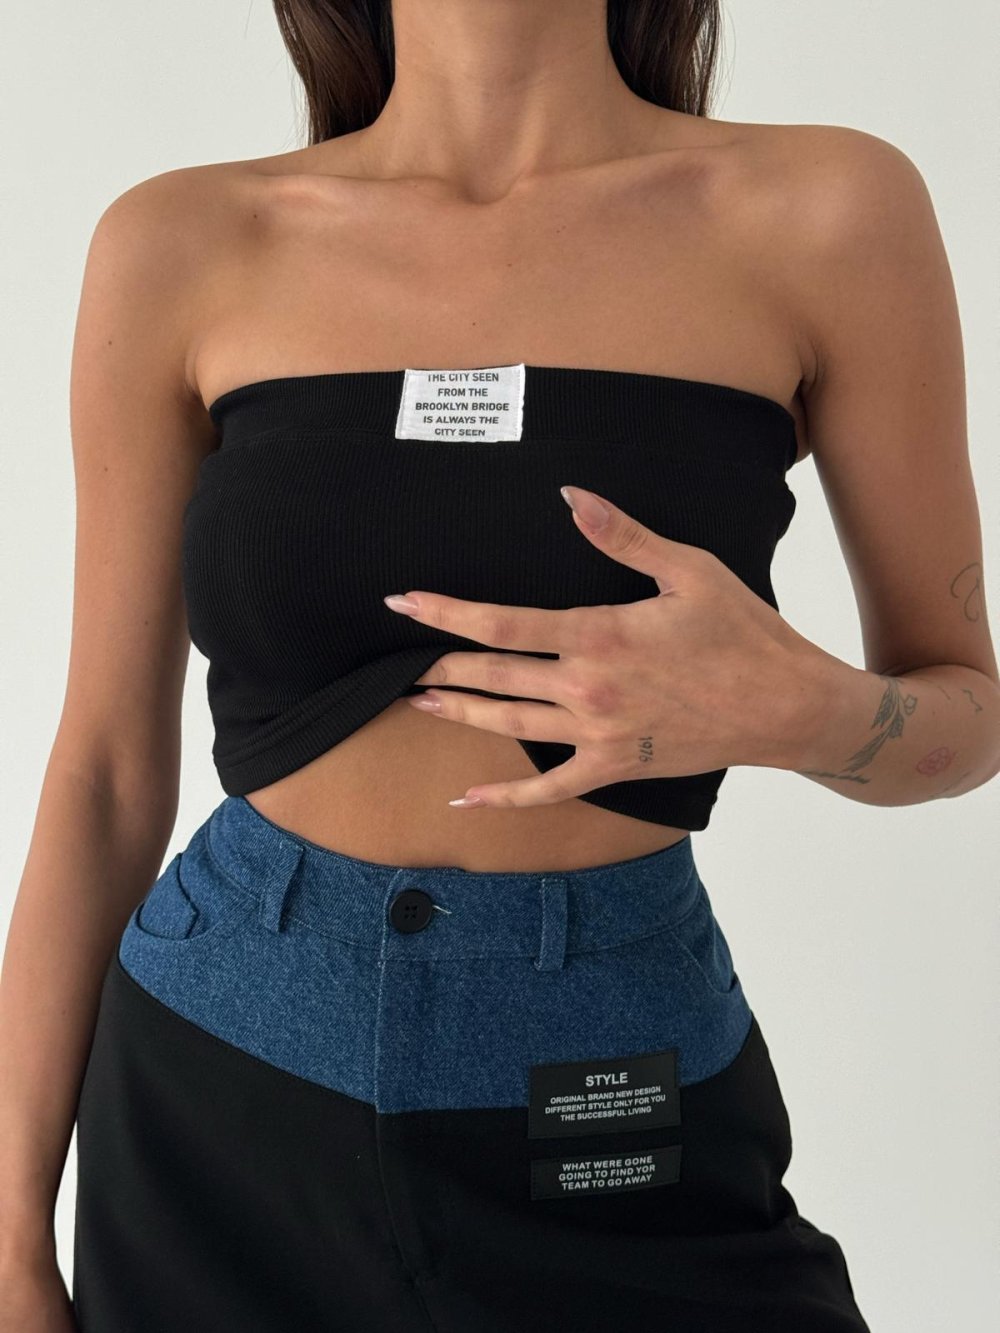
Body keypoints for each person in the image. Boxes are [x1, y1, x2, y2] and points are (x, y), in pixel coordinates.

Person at [3, 1, 999, 1329]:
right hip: (222, 1084)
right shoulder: (183, 240)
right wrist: (8, 1239)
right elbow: (105, 774)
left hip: (613, 1080)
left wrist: (803, 711)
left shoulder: (826, 213)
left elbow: (967, 715)